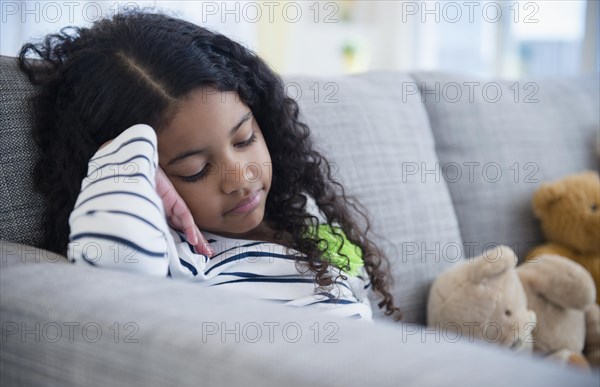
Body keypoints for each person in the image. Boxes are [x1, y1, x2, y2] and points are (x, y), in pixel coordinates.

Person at [18, 11, 401, 321]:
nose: (240, 177)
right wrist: (121, 157)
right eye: (195, 170)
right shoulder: (177, 258)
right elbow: (115, 267)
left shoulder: (299, 218)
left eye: (244, 139)